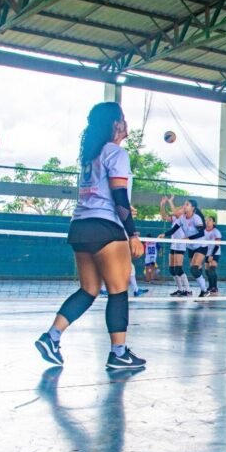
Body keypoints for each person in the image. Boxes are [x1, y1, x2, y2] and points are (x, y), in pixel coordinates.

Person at [35, 101, 145, 370]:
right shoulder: (116, 153)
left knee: (89, 289)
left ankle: (52, 336)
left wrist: (121, 206)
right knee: (119, 291)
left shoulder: (91, 155)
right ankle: (118, 353)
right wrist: (133, 233)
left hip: (80, 227)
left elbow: (101, 194)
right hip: (105, 228)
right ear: (115, 123)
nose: (126, 123)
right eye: (123, 118)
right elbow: (118, 195)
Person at [162, 199, 208, 297]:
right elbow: (173, 229)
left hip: (201, 245)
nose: (184, 206)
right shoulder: (182, 218)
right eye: (184, 204)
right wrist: (164, 234)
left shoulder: (196, 218)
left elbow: (201, 233)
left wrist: (188, 237)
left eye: (187, 204)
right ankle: (203, 289)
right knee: (196, 270)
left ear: (192, 208)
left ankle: (204, 291)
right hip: (191, 247)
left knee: (194, 268)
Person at [159, 196, 191, 297]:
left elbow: (175, 211)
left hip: (180, 244)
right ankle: (180, 289)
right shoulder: (175, 219)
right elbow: (164, 217)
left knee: (178, 268)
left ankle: (188, 290)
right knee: (172, 269)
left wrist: (170, 202)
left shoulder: (184, 219)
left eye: (181, 208)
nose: (178, 209)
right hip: (173, 244)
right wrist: (162, 205)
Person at [204, 216, 222, 295]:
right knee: (207, 271)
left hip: (215, 253)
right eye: (206, 220)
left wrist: (212, 255)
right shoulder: (203, 231)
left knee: (212, 269)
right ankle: (210, 286)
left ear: (213, 223)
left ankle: (214, 287)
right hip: (206, 253)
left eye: (210, 220)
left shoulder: (216, 231)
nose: (207, 221)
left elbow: (217, 245)